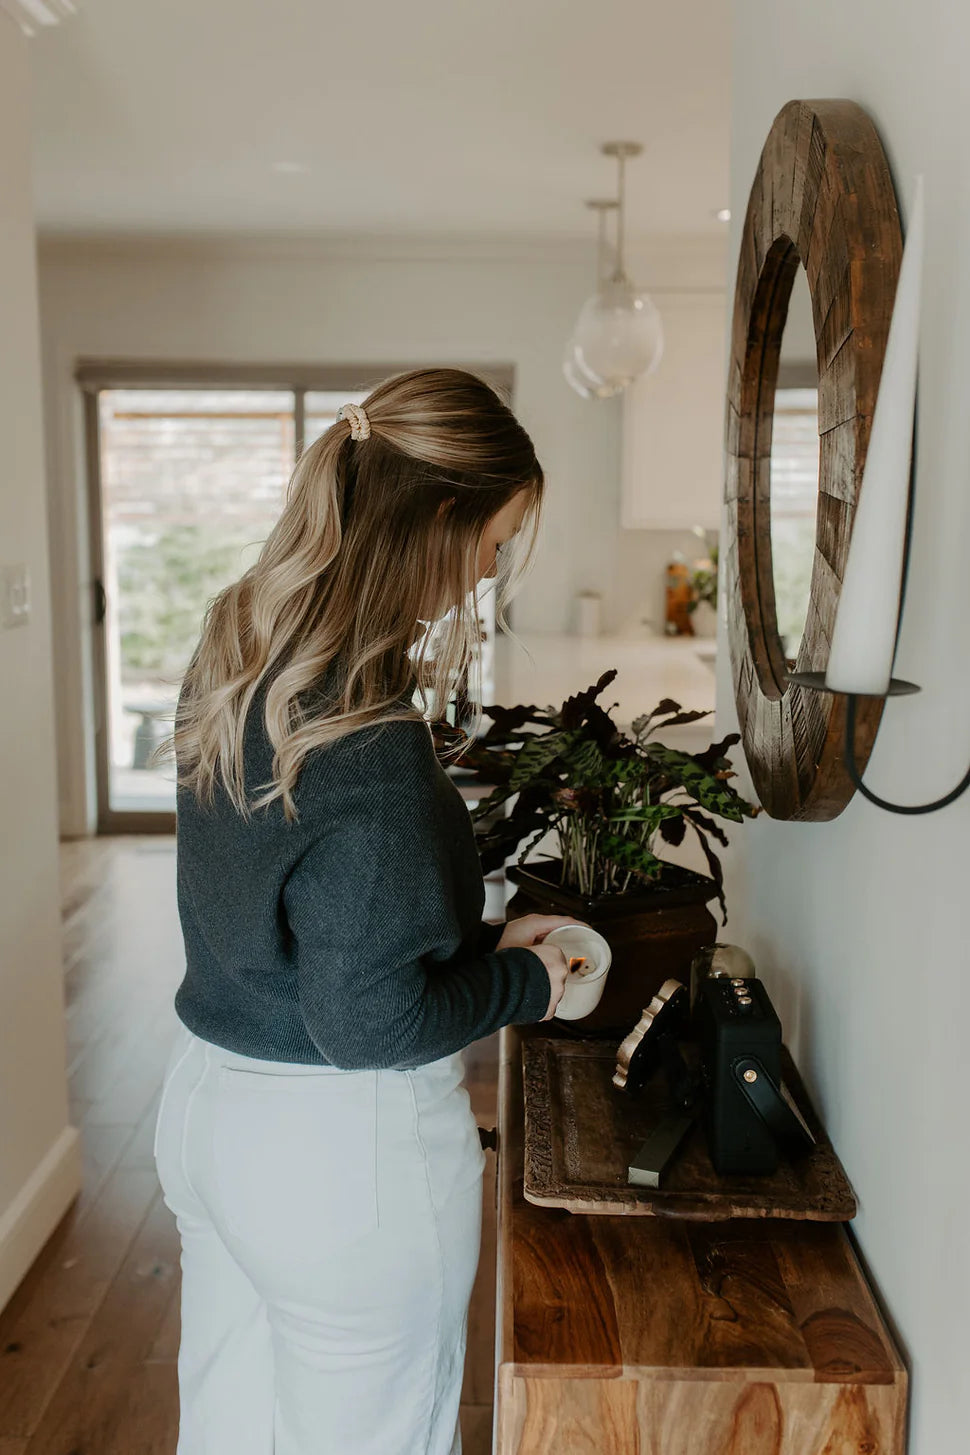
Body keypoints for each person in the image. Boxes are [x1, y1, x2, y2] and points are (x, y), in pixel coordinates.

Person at [152, 367, 583, 1455]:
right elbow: (370, 1023)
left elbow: (304, 904)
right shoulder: (374, 745)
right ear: (440, 518)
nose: (488, 574)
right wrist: (535, 979)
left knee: (231, 1430)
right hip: (340, 1163)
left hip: (210, 1114)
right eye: (495, 542)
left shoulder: (242, 639)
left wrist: (481, 942)